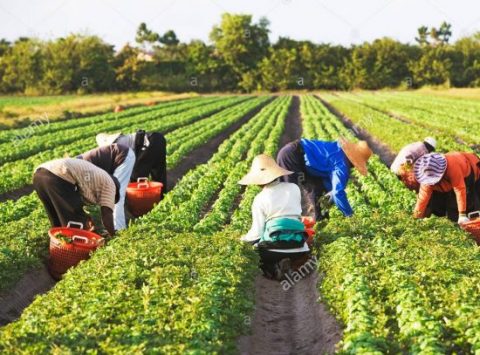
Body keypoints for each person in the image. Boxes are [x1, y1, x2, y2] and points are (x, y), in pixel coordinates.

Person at [239, 154, 310, 280]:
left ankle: (273, 268)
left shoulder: (259, 199)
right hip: (299, 246)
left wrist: (242, 241)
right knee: (294, 244)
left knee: (257, 253)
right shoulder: (294, 188)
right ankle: (292, 264)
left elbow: (257, 233)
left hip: (273, 249)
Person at [276, 138, 373, 220]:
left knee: (317, 189)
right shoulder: (342, 164)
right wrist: (349, 215)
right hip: (291, 156)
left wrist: (329, 193)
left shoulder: (338, 150)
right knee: (289, 194)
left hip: (301, 159)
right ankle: (285, 227)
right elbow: (338, 192)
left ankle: (319, 220)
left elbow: (329, 184)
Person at [33, 158, 120, 237]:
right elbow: (107, 214)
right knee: (75, 221)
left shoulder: (98, 180)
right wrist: (113, 235)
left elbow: (76, 199)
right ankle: (78, 252)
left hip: (38, 175)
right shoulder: (111, 185)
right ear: (115, 192)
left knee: (57, 221)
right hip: (57, 175)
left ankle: (60, 249)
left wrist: (88, 218)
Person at [77, 144, 135, 231]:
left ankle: (119, 228)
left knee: (116, 194)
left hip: (123, 156)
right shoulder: (76, 167)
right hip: (119, 154)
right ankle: (114, 225)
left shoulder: (79, 169)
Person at [413, 152, 480, 225]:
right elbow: (422, 199)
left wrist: (462, 214)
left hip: (469, 169)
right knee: (451, 209)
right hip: (449, 183)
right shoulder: (426, 175)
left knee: (470, 203)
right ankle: (457, 225)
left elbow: (459, 189)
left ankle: (474, 226)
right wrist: (416, 218)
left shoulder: (452, 166)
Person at [96, 130, 167, 193]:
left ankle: (139, 198)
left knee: (137, 175)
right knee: (158, 170)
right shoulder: (120, 141)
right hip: (158, 138)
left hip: (150, 141)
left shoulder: (117, 145)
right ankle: (161, 195)